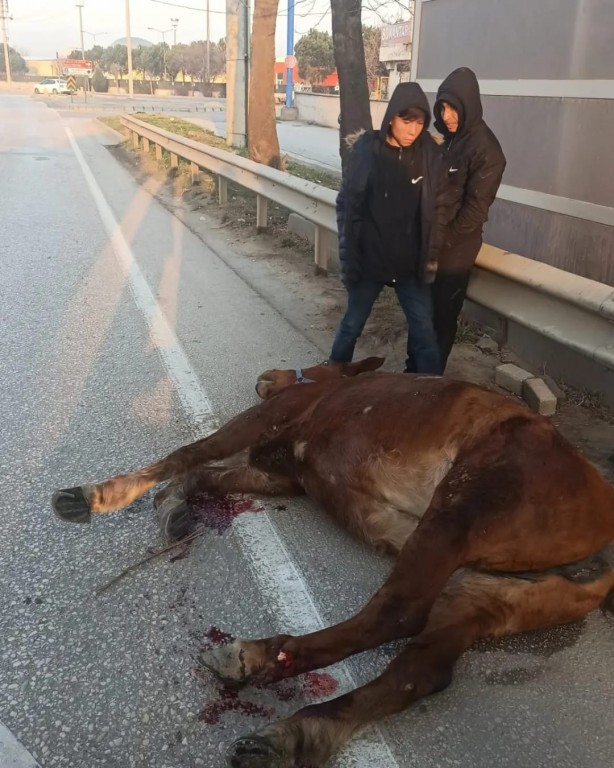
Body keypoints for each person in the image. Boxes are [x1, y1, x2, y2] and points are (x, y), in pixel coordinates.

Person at [329, 82, 448, 374]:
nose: (413, 130)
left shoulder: (429, 156)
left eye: (419, 123)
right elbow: (347, 202)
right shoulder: (367, 150)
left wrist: (432, 251)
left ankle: (432, 397)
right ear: (392, 117)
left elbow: (439, 208)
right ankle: (330, 380)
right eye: (406, 121)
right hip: (370, 261)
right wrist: (349, 252)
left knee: (424, 336)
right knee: (351, 325)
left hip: (410, 266)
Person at [432, 67, 506, 371]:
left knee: (440, 324)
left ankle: (428, 386)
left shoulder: (487, 151)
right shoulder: (450, 140)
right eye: (443, 107)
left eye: (453, 108)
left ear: (469, 105)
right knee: (422, 318)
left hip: (454, 255)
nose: (447, 115)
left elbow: (475, 211)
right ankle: (412, 382)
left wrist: (442, 242)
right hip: (432, 245)